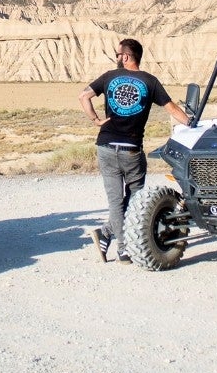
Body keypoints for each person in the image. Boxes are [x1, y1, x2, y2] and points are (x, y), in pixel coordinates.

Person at [79, 38, 189, 263]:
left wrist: (95, 119)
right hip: (132, 150)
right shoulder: (150, 81)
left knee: (116, 201)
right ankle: (123, 246)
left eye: (118, 54)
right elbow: (172, 109)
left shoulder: (109, 77)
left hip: (106, 146)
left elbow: (83, 96)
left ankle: (111, 234)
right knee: (135, 199)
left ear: (126, 56)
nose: (116, 58)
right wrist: (190, 122)